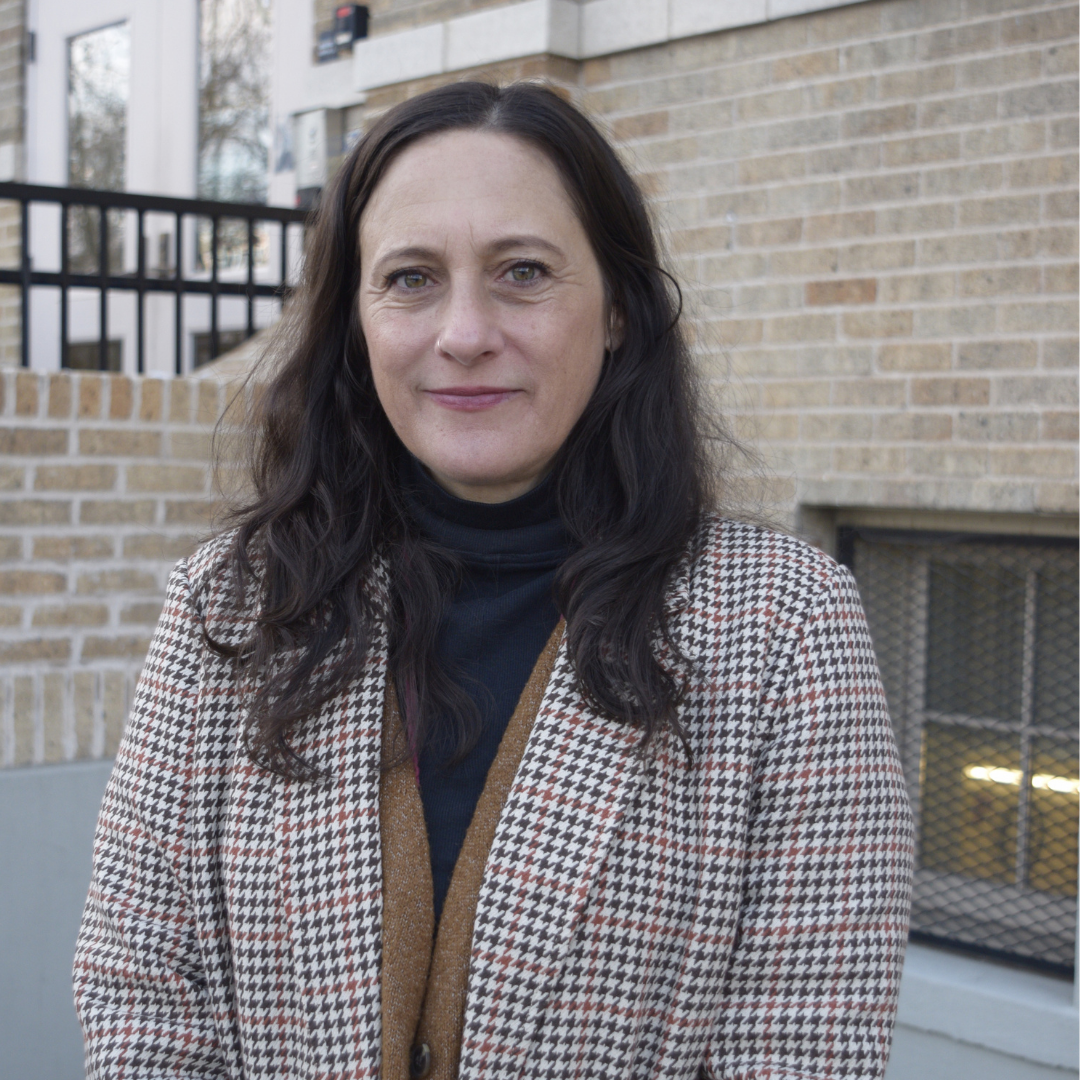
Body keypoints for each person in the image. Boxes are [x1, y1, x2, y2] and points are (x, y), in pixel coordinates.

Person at [73, 81, 913, 1080]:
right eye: (411, 278)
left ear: (617, 310)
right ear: (356, 322)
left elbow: (806, 1041)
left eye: (523, 272)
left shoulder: (784, 626)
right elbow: (139, 990)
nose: (464, 333)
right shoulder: (233, 606)